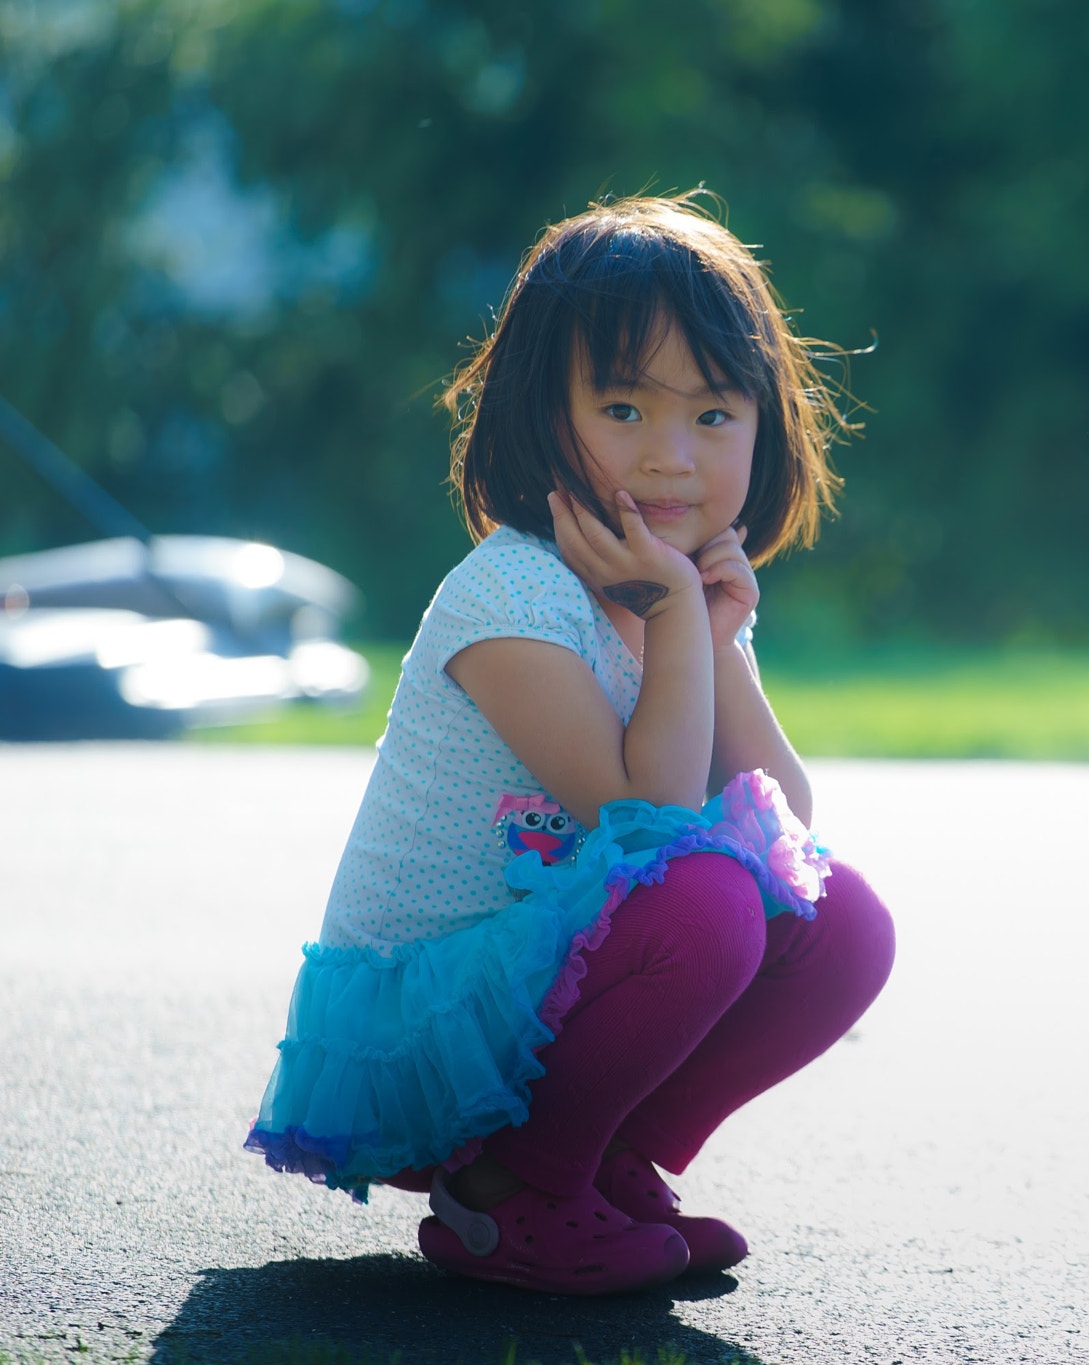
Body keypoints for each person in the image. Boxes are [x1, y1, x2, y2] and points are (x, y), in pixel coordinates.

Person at [245, 194, 896, 1296]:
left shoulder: (670, 597)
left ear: (765, 426)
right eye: (624, 409)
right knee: (703, 895)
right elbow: (643, 822)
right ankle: (508, 1197)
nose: (671, 460)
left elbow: (784, 820)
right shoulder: (510, 596)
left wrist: (714, 644)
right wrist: (679, 622)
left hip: (555, 991)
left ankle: (596, 1165)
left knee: (838, 924)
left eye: (713, 416)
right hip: (433, 1029)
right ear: (544, 415)